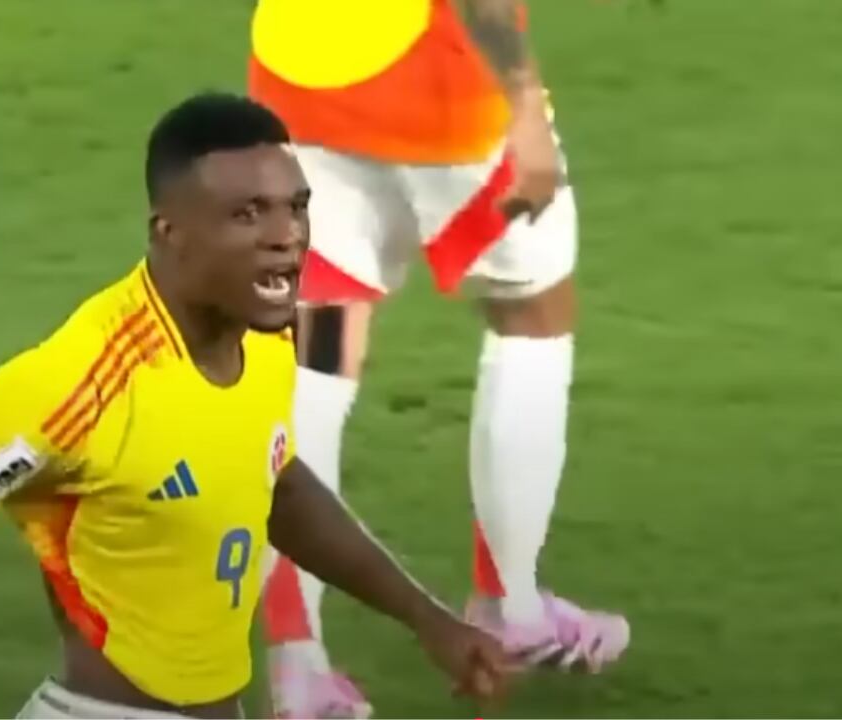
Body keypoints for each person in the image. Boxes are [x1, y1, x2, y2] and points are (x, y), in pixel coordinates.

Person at [0, 91, 514, 720]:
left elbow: (274, 483)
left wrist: (429, 621)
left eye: (295, 209)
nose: (286, 238)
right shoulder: (80, 387)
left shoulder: (265, 329)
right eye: (247, 214)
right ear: (171, 234)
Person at [248, 1, 630, 716]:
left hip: (297, 84)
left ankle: (297, 665)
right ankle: (509, 605)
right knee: (531, 314)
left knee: (317, 358)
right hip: (440, 92)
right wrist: (526, 107)